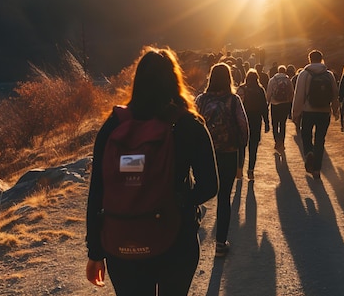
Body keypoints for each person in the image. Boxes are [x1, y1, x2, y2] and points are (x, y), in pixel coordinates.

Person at [86, 47, 219, 295]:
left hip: (122, 244)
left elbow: (97, 192)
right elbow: (210, 185)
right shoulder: (188, 124)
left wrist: (95, 252)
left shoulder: (114, 125)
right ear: (174, 80)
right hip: (176, 241)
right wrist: (179, 201)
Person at [195, 63, 249, 257]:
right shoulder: (233, 100)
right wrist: (241, 146)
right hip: (228, 153)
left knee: (198, 192)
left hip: (204, 153)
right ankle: (220, 243)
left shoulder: (201, 99)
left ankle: (192, 231)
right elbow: (243, 125)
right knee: (224, 196)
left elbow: (193, 124)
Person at [292, 50, 340, 179]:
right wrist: (335, 110)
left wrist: (296, 113)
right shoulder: (329, 74)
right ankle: (317, 169)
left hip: (308, 111)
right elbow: (335, 93)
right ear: (321, 59)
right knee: (320, 140)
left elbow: (299, 95)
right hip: (324, 112)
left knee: (306, 135)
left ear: (309, 59)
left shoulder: (304, 74)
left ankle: (308, 153)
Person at [236, 69, 270, 180]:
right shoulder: (260, 90)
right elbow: (264, 107)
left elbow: (236, 106)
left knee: (241, 146)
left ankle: (239, 169)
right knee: (253, 146)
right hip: (256, 121)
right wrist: (267, 122)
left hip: (243, 120)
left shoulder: (242, 89)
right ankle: (251, 170)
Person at [266, 65, 294, 152]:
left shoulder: (272, 80)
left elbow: (269, 93)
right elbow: (291, 92)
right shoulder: (288, 80)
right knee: (282, 124)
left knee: (275, 124)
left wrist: (268, 103)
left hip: (275, 104)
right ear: (285, 71)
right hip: (284, 104)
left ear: (278, 71)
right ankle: (282, 142)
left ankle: (276, 141)